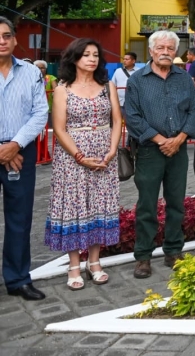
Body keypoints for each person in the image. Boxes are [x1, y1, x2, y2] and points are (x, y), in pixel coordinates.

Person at [45, 39, 122, 290]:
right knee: (74, 206)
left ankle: (95, 262)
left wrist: (112, 150)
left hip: (104, 155)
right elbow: (59, 128)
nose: (92, 59)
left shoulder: (107, 86)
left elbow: (117, 121)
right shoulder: (62, 89)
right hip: (72, 157)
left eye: (95, 55)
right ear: (75, 58)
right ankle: (74, 265)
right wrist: (79, 156)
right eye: (86, 54)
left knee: (100, 205)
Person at [124, 30, 195, 279]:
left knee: (176, 203)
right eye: (160, 48)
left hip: (178, 149)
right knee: (147, 205)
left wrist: (178, 139)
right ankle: (143, 256)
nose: (165, 52)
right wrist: (160, 140)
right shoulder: (137, 80)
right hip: (149, 151)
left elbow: (193, 112)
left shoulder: (184, 79)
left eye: (170, 48)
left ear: (176, 52)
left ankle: (173, 251)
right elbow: (132, 116)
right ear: (151, 51)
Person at [0, 16, 49, 300]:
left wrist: (14, 145)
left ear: (15, 39)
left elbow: (40, 113)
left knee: (19, 219)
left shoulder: (31, 73)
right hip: (7, 151)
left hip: (21, 151)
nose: (2, 41)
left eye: (6, 36)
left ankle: (18, 279)